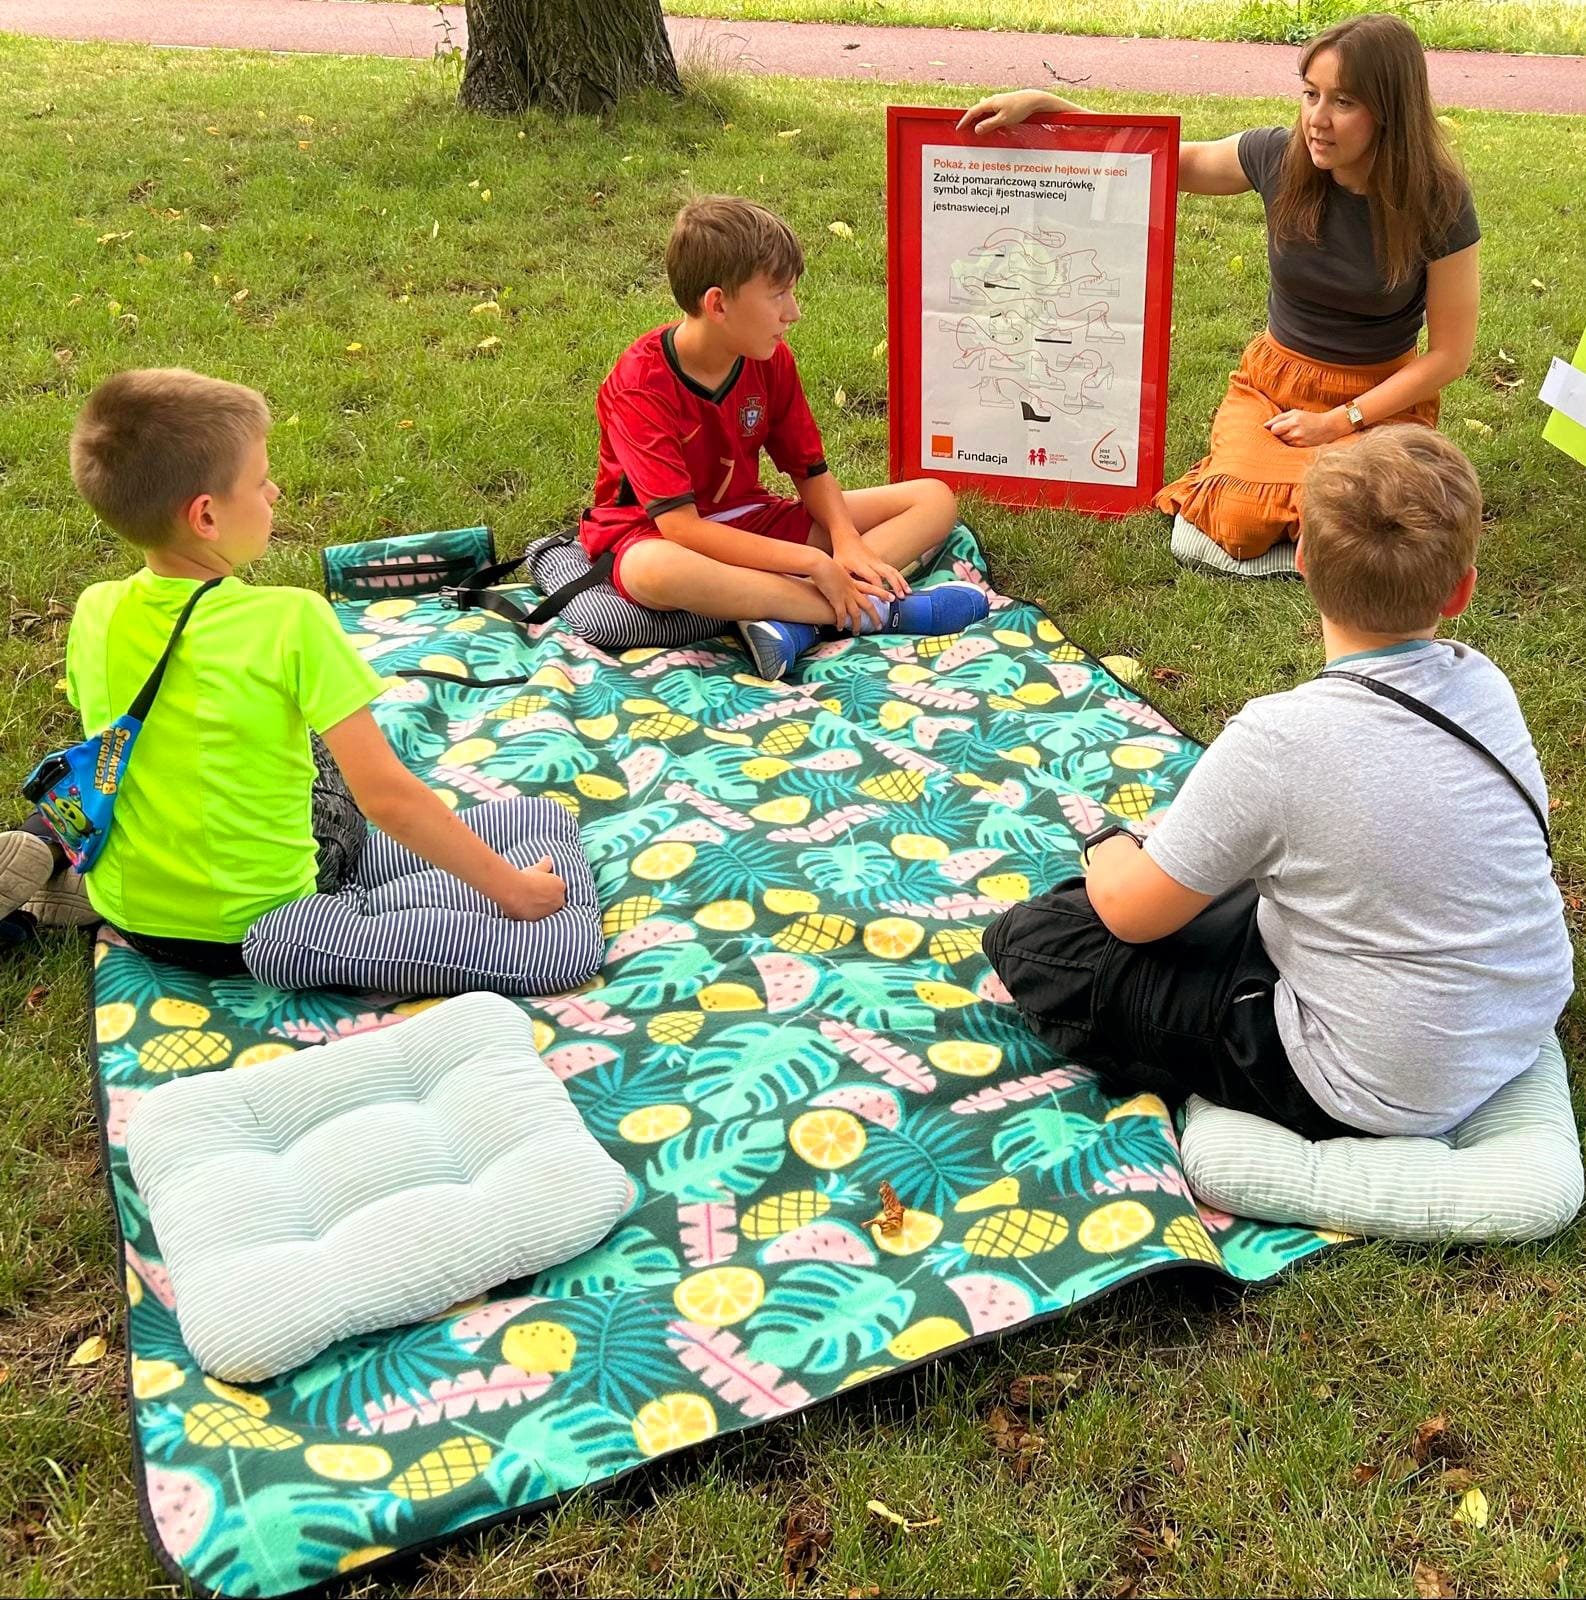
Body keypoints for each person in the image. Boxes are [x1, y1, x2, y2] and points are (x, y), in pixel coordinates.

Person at [983, 426, 1571, 1139]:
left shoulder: (1278, 738)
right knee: (1236, 875)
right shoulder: (1485, 684)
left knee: (1041, 939)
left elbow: (1132, 917)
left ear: (1302, 562)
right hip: (1514, 1014)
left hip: (1368, 1080)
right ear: (1462, 591)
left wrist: (1109, 844)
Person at [0, 368, 602, 996]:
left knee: (538, 817)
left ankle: (63, 869)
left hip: (133, 910)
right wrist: (515, 892)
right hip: (258, 923)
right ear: (205, 516)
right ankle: (367, 903)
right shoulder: (289, 620)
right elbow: (386, 798)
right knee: (558, 926)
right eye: (260, 481)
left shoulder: (96, 608)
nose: (276, 492)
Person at [959, 13, 1480, 570]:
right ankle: (1324, 535)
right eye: (1311, 94)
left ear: (1390, 111)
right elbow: (1161, 160)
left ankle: (1331, 526)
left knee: (1375, 509)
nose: (1317, 119)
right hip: (1277, 386)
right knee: (1240, 518)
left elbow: (1450, 355)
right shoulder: (1277, 156)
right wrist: (1048, 105)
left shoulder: (1439, 200)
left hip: (1377, 396)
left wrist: (1339, 422)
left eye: (1344, 102)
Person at [581, 196, 983, 681]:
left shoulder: (771, 360)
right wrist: (812, 562)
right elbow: (682, 529)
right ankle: (879, 610)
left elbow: (810, 471)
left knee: (933, 498)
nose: (794, 312)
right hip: (655, 535)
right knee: (654, 571)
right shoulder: (639, 385)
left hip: (751, 518)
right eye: (778, 295)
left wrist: (846, 542)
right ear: (718, 304)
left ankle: (795, 620)